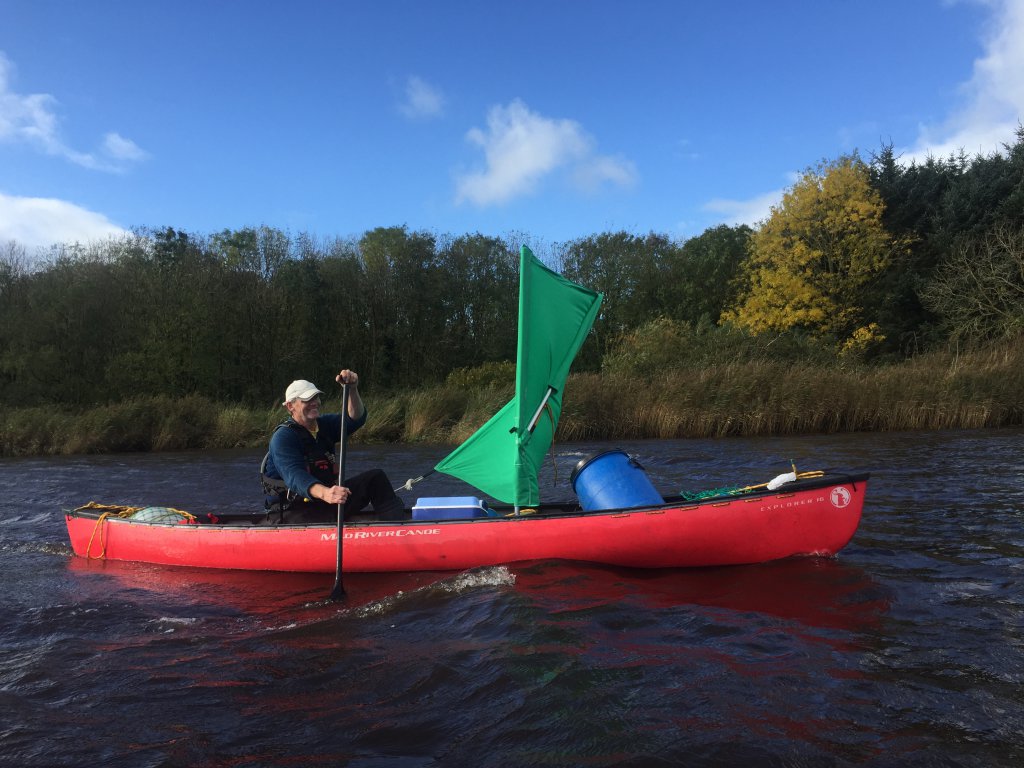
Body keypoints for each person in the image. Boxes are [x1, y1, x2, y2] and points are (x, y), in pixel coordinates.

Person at [260, 370, 405, 524]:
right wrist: (326, 493)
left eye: (315, 397)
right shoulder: (283, 437)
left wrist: (352, 389)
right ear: (290, 406)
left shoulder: (325, 425)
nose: (314, 402)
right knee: (318, 501)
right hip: (291, 512)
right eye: (307, 399)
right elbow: (295, 477)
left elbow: (355, 419)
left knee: (375, 479)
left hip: (325, 503)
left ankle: (396, 528)